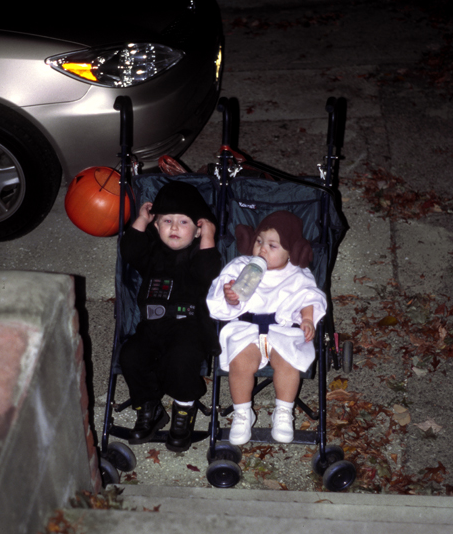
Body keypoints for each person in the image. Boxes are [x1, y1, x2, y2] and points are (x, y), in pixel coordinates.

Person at [207, 211, 326, 445]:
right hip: (247, 328)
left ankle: (283, 411)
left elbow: (308, 297)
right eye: (259, 241)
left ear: (291, 251)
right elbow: (222, 294)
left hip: (282, 330)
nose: (262, 249)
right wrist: (231, 297)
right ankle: (242, 412)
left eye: (272, 245)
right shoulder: (241, 266)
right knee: (239, 364)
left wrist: (308, 319)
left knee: (287, 362)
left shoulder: (296, 273)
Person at [119, 181, 221, 452]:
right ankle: (150, 407)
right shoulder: (152, 254)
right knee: (130, 356)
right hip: (151, 327)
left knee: (181, 360)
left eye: (184, 222)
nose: (174, 227)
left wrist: (207, 237)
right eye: (167, 221)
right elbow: (130, 251)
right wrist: (141, 219)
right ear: (156, 226)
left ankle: (183, 408)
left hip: (189, 327)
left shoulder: (198, 255)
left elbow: (209, 273)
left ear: (198, 229)